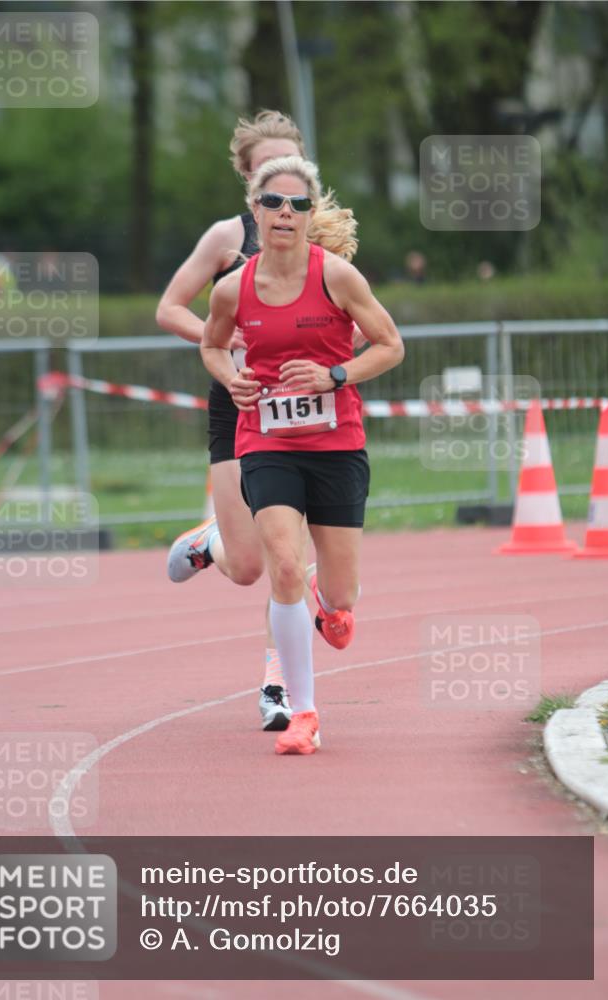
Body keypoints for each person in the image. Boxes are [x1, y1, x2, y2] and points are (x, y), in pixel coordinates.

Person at [158, 111, 360, 732]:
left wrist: (334, 368)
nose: (282, 197)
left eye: (291, 173)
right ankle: (210, 539)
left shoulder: (320, 232)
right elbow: (170, 308)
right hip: (243, 400)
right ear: (248, 181)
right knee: (247, 565)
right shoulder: (225, 238)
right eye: (266, 178)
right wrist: (231, 344)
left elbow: (351, 314)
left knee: (286, 561)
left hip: (313, 415)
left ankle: (280, 686)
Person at [200, 156, 405, 755]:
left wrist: (335, 374)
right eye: (273, 203)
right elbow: (213, 346)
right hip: (265, 441)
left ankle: (329, 606)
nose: (284, 213)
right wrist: (231, 377)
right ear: (255, 212)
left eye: (297, 205)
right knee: (284, 565)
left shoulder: (338, 277)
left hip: (337, 444)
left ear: (311, 215)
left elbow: (391, 346)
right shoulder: (233, 288)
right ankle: (304, 714)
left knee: (340, 595)